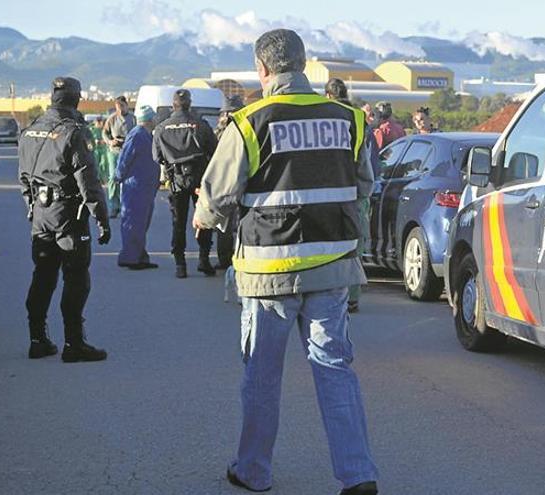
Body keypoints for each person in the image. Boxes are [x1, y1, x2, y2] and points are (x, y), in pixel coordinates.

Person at [194, 29, 379, 494]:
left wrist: (204, 218)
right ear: (303, 64)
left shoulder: (249, 121)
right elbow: (364, 186)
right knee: (335, 370)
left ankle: (253, 471)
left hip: (268, 274)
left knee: (262, 377)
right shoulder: (349, 119)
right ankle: (358, 475)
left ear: (262, 68)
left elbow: (216, 196)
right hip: (332, 268)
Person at [17, 76, 110, 362]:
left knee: (43, 275)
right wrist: (102, 218)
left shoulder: (30, 131)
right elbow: (88, 181)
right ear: (77, 99)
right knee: (76, 277)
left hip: (41, 214)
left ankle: (38, 339)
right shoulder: (73, 131)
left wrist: (32, 208)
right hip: (68, 215)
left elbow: (23, 178)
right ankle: (74, 344)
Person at [153, 89, 218, 278]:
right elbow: (214, 151)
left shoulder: (161, 128)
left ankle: (180, 264)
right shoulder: (201, 125)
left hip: (176, 180)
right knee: (204, 220)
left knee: (178, 222)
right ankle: (203, 260)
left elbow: (156, 156)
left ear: (173, 105)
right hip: (199, 178)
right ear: (190, 104)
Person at [324, 78, 373, 313]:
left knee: (330, 246)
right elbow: (364, 162)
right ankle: (353, 297)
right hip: (355, 191)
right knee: (355, 246)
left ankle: (331, 294)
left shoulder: (323, 115)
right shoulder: (358, 118)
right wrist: (364, 195)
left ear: (327, 95)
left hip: (328, 191)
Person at [115, 105, 160, 270]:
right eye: (154, 117)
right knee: (133, 222)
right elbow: (124, 158)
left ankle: (139, 256)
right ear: (148, 119)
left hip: (144, 187)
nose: (156, 120)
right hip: (135, 187)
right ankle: (130, 258)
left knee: (141, 223)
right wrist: (118, 176)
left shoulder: (146, 135)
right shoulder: (136, 135)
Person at [213, 94, 244, 271]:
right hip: (243, 181)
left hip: (223, 184)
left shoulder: (218, 133)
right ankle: (239, 256)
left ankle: (224, 258)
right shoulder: (247, 128)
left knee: (224, 223)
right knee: (241, 222)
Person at [102, 96, 135, 218]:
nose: (120, 110)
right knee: (113, 178)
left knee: (128, 178)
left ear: (126, 105)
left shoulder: (133, 119)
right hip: (114, 151)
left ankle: (127, 206)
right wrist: (110, 141)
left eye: (122, 106)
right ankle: (113, 206)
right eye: (117, 107)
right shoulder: (112, 119)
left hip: (128, 151)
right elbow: (104, 133)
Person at [89, 115, 109, 185]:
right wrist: (95, 141)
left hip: (103, 149)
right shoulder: (91, 129)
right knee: (96, 164)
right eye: (99, 122)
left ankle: (104, 179)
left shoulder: (104, 129)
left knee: (104, 164)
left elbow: (107, 137)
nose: (101, 124)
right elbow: (88, 139)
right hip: (95, 150)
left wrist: (104, 141)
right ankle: (97, 179)